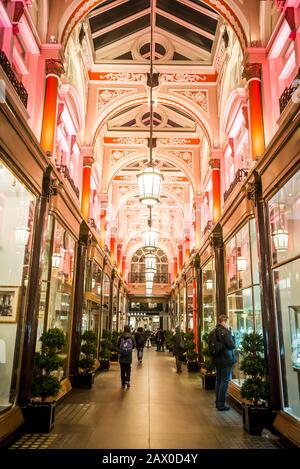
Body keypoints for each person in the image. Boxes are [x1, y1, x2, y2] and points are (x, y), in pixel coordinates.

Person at [213, 314, 236, 411]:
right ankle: (221, 404)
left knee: (218, 380)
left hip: (217, 359)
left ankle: (218, 401)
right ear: (224, 321)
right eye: (227, 322)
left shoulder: (214, 331)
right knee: (224, 381)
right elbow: (231, 345)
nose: (228, 324)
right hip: (226, 360)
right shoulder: (225, 332)